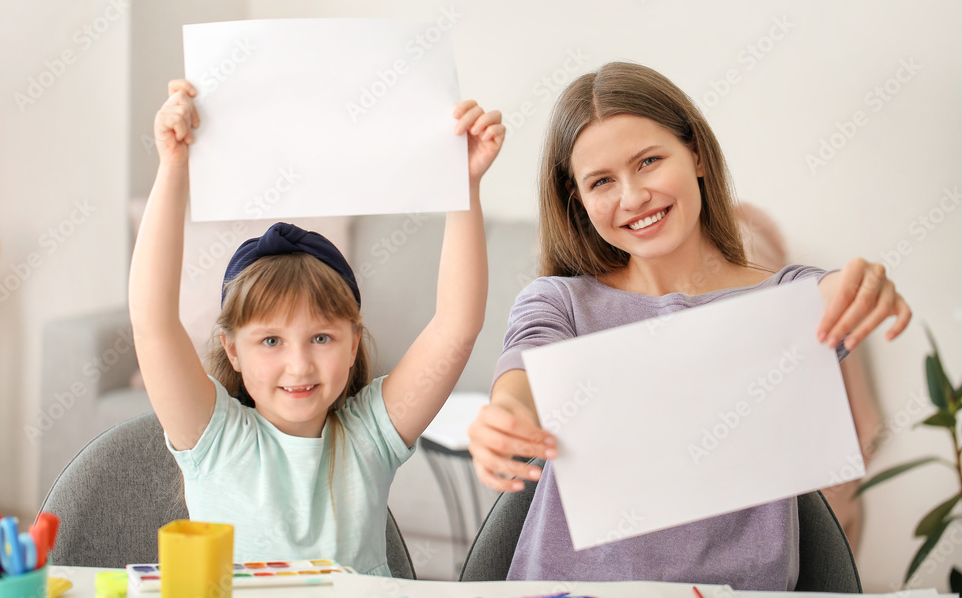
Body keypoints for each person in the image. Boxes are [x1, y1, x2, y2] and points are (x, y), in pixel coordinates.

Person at [466, 62, 910, 590]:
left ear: (696, 154)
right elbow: (521, 387)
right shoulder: (560, 302)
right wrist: (504, 420)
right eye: (602, 181)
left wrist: (860, 287)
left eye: (649, 161)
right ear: (577, 199)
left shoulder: (782, 300)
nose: (632, 197)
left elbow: (832, 295)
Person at [128, 78, 504, 575]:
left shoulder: (369, 434)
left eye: (322, 337)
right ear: (232, 350)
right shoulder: (214, 437)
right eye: (270, 341)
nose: (299, 364)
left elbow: (457, 326)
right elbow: (152, 322)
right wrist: (173, 167)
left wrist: (465, 184)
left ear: (353, 346)